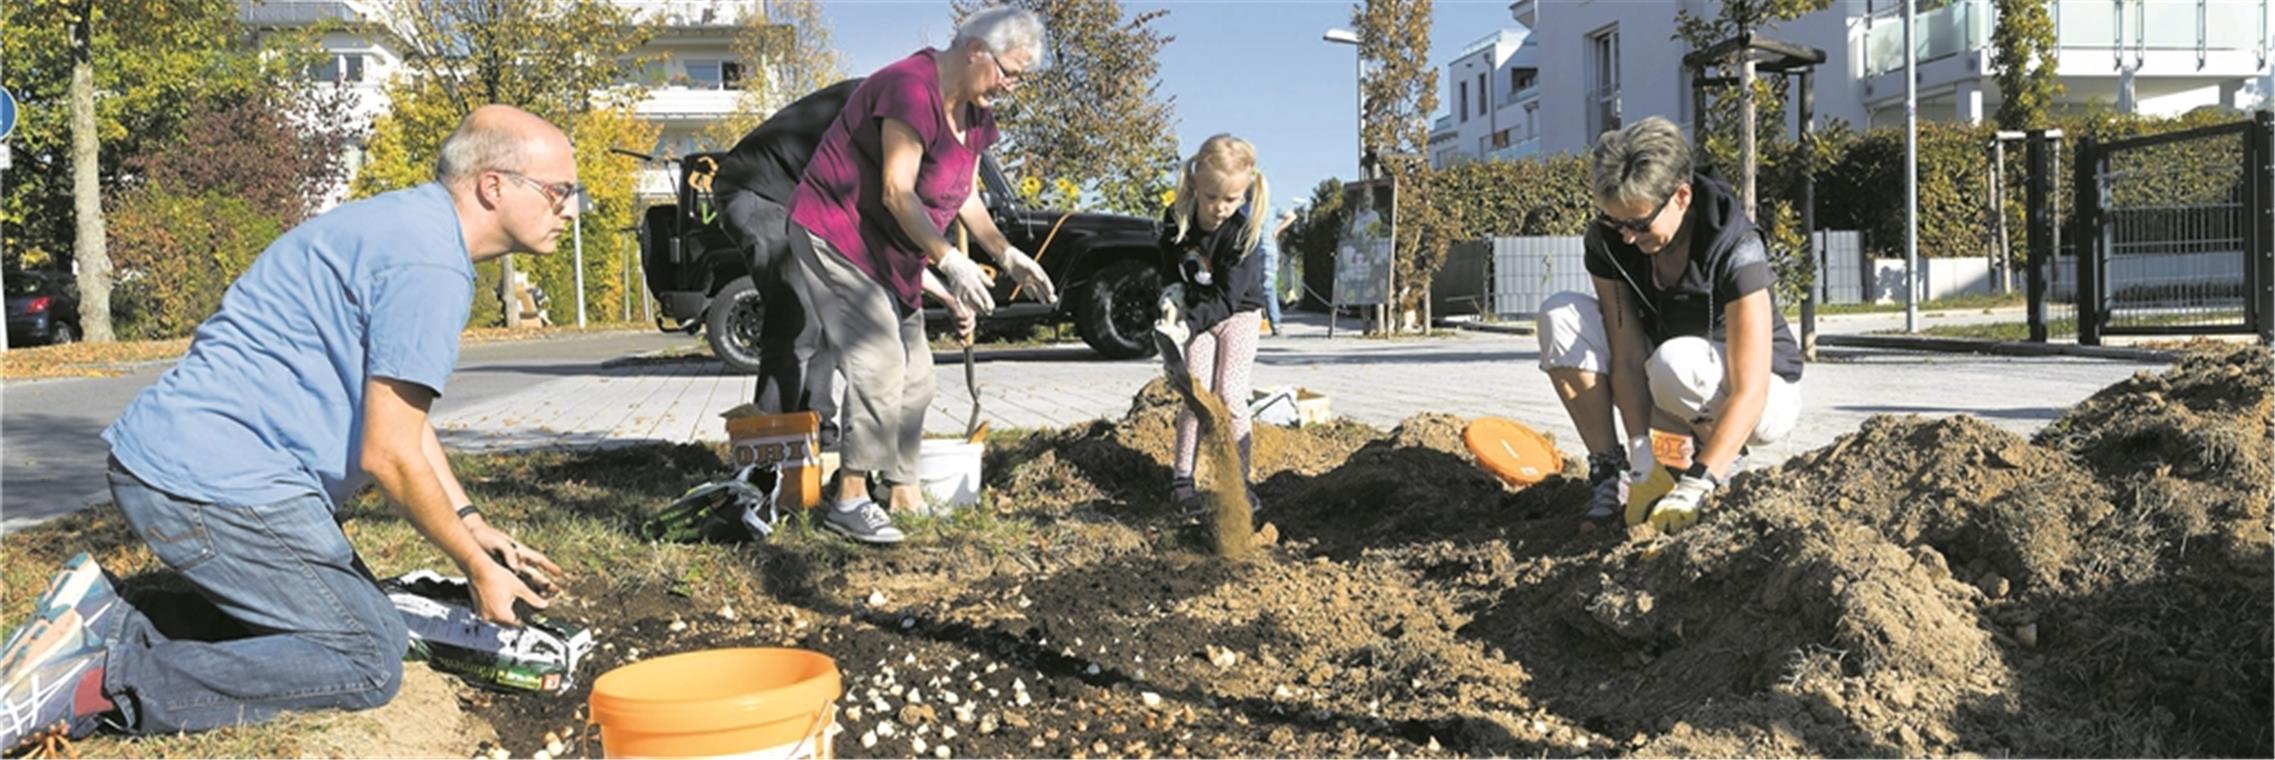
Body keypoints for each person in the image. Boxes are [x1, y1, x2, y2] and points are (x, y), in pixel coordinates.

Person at [0, 106, 571, 751]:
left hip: (197, 470)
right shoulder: (431, 266)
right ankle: (99, 681)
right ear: (493, 186)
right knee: (366, 657)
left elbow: (398, 421)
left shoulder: (407, 227)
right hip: (210, 488)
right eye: (559, 192)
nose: (570, 211)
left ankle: (108, 619)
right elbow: (388, 456)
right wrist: (473, 565)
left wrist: (469, 522)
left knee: (353, 627)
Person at [785, 6, 1055, 543]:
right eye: (1009, 71)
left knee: (919, 374)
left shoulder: (977, 115)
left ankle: (902, 489)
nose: (1011, 85)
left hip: (893, 253)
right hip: (837, 233)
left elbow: (967, 199)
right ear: (977, 50)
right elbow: (895, 191)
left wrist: (1008, 255)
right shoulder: (908, 88)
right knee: (879, 363)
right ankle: (851, 498)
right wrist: (949, 261)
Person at [1535, 115, 1804, 533]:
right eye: (1615, 222)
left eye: (1639, 224)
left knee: (1676, 362)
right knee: (1561, 315)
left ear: (1681, 196)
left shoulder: (1736, 245)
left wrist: (1696, 484)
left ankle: (1719, 464)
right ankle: (1614, 474)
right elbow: (1626, 354)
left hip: (1761, 395)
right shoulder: (1611, 242)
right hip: (1662, 381)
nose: (1626, 237)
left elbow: (1752, 390)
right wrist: (1642, 459)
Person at [1155, 134, 1273, 514]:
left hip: (1238, 315)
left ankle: (1239, 484)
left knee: (1230, 394)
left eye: (1231, 200)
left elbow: (1226, 299)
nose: (1219, 208)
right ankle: (1182, 481)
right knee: (1196, 394)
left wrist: (1187, 325)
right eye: (1211, 197)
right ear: (1194, 184)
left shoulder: (1242, 234)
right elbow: (1167, 268)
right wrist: (1170, 301)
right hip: (1196, 314)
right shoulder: (1176, 221)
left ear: (1244, 194)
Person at [1256, 205, 1296, 336]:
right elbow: (1291, 215)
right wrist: (1276, 230)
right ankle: (1275, 323)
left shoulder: (1244, 208)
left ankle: (1270, 321)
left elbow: (1292, 216)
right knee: (1268, 287)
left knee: (1258, 286)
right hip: (1268, 249)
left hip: (1254, 250)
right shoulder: (1270, 207)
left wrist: (1277, 230)